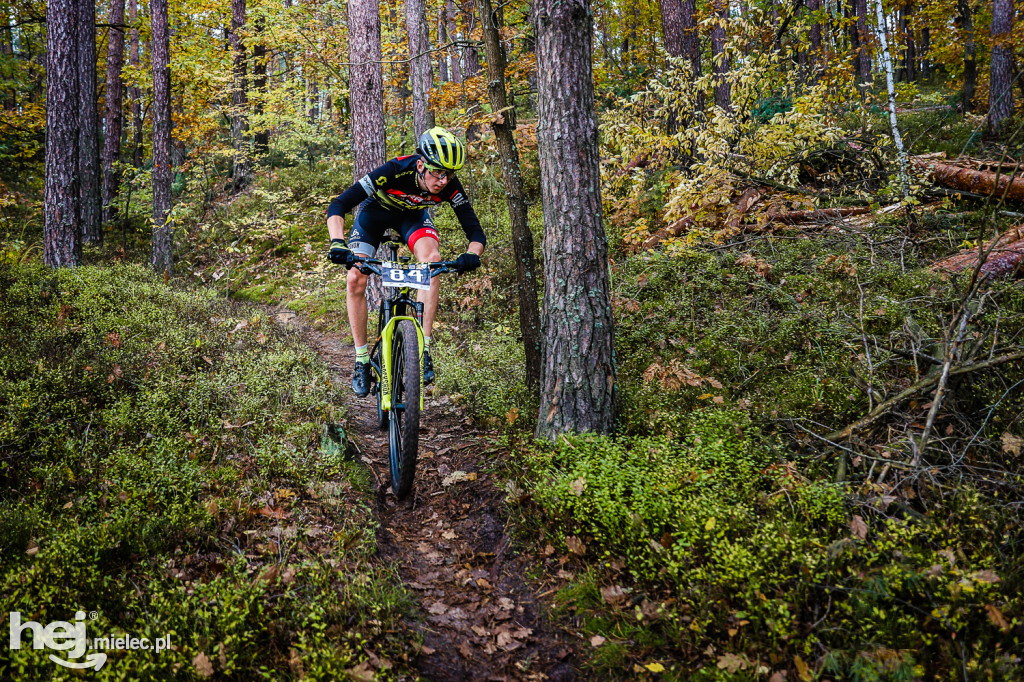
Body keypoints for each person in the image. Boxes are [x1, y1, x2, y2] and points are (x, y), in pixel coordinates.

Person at [326, 127, 486, 397]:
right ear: (421, 164)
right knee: (355, 277)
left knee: (432, 263)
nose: (444, 180)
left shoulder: (449, 185)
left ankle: (423, 349)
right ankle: (362, 360)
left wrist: (472, 255)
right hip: (374, 215)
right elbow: (338, 205)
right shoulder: (394, 170)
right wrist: (337, 242)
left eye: (449, 174)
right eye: (438, 172)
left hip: (412, 218)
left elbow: (475, 233)